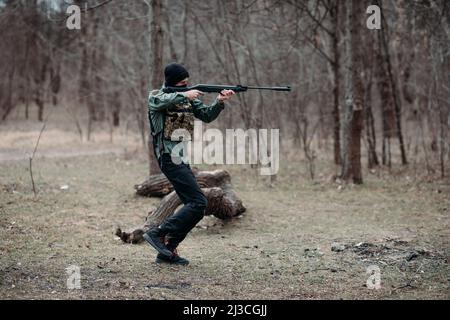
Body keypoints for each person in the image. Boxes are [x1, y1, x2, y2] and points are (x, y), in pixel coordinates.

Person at [143, 63, 235, 265]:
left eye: (187, 83)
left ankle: (166, 250)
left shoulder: (187, 100)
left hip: (181, 159)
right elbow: (161, 101)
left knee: (197, 207)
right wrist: (186, 94)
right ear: (172, 82)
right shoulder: (157, 97)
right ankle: (159, 234)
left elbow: (207, 115)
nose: (186, 86)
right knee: (198, 201)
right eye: (182, 83)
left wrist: (220, 101)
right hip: (168, 157)